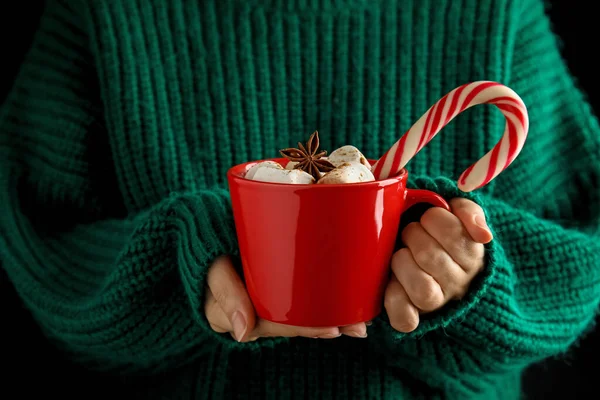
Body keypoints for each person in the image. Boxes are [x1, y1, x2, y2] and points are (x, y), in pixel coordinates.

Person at [1, 0, 599, 398]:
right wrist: (172, 257)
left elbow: (580, 254)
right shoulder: (104, 15)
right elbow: (40, 241)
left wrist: (467, 269)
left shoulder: (491, 11)